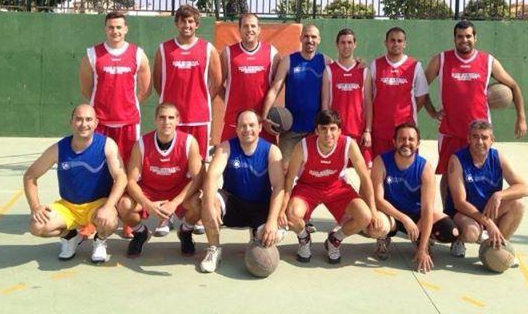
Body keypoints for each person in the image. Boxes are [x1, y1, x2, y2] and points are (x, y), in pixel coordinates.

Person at [424, 20, 527, 196]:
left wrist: (521, 118)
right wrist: (432, 111)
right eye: (460, 37)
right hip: (451, 131)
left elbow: (514, 86)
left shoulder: (488, 61)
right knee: (449, 175)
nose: (464, 40)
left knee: (481, 172)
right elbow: (421, 87)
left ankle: (481, 212)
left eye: (468, 36)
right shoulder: (441, 59)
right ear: (454, 38)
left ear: (475, 38)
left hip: (479, 131)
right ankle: (449, 213)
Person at [78, 10, 151, 238]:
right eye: (111, 27)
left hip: (129, 122)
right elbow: (86, 89)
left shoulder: (138, 54)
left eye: (119, 27)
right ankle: (92, 218)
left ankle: (129, 216)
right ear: (105, 29)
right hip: (100, 124)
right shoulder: (92, 54)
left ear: (126, 29)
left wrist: (127, 105)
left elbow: (145, 89)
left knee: (130, 171)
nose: (115, 31)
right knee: (98, 171)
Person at [23, 104, 127, 263]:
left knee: (110, 220)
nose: (83, 124)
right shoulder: (58, 149)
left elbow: (121, 177)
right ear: (71, 122)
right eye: (78, 119)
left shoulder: (106, 145)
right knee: (36, 227)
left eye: (88, 119)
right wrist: (35, 207)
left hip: (97, 205)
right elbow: (30, 175)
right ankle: (70, 236)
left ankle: (100, 240)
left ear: (96, 123)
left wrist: (109, 206)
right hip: (68, 207)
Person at [281, 109, 382, 264]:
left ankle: (334, 240)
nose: (329, 133)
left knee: (365, 216)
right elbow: (289, 180)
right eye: (324, 129)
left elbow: (364, 177)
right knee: (292, 214)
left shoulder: (349, 144)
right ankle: (304, 238)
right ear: (317, 131)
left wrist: (374, 210)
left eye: (333, 129)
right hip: (308, 187)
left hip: (337, 188)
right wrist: (282, 210)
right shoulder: (303, 147)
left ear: (339, 130)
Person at [199, 110, 285, 273]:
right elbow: (211, 176)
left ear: (260, 127)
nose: (247, 129)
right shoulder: (226, 147)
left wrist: (272, 221)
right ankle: (214, 249)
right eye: (243, 126)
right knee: (209, 201)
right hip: (233, 205)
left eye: (252, 125)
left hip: (260, 206)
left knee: (275, 234)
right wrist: (209, 205)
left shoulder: (272, 151)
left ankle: (257, 234)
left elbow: (279, 186)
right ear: (236, 129)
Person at [116, 103, 203, 258]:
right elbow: (131, 181)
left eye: (171, 118)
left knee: (199, 203)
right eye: (162, 117)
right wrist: (146, 204)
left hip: (177, 190)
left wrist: (175, 203)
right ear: (155, 120)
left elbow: (197, 179)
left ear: (178, 120)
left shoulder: (189, 142)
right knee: (124, 205)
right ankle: (140, 233)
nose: (166, 122)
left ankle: (186, 231)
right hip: (149, 191)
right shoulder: (141, 144)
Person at [371, 123, 458, 273]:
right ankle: (383, 237)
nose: (406, 143)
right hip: (390, 214)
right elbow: (378, 200)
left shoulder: (425, 168)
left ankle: (421, 240)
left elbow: (427, 209)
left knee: (452, 232)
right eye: (402, 139)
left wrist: (423, 250)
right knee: (377, 226)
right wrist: (404, 219)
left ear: (418, 143)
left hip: (416, 216)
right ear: (394, 142)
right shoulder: (381, 162)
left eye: (411, 139)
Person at [445, 120, 528, 262]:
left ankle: (498, 245)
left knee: (518, 204)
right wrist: (489, 224)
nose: (480, 141)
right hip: (464, 213)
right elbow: (459, 203)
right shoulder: (457, 159)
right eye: (475, 137)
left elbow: (524, 187)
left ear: (492, 140)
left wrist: (499, 195)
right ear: (469, 139)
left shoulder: (497, 157)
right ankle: (458, 240)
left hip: (488, 210)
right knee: (472, 233)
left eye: (484, 137)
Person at [153, 4, 221, 159]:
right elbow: (158, 83)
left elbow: (217, 82)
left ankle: (200, 185)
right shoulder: (164, 49)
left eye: (190, 21)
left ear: (197, 24)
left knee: (199, 160)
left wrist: (201, 101)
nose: (187, 25)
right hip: (171, 118)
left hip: (199, 117)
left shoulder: (208, 49)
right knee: (173, 160)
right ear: (177, 23)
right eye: (183, 21)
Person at [261, 24, 331, 170]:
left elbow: (342, 74)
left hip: (315, 130)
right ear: (300, 38)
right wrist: (265, 116)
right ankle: (286, 193)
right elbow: (274, 89)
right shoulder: (288, 61)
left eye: (313, 37)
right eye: (306, 36)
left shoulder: (326, 62)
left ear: (319, 39)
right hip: (290, 130)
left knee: (314, 170)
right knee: (285, 170)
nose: (309, 40)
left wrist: (359, 64)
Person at [220, 13, 279, 144]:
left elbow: (276, 87)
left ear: (259, 29)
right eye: (245, 26)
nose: (249, 29)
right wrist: (229, 99)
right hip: (234, 119)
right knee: (227, 159)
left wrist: (267, 109)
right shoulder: (228, 53)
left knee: (266, 161)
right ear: (239, 29)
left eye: (253, 26)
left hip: (262, 120)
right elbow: (218, 84)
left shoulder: (272, 53)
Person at [370, 27, 429, 155]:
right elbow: (368, 96)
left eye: (399, 40)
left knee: (407, 169)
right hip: (380, 129)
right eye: (392, 40)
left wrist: (406, 115)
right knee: (380, 169)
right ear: (386, 43)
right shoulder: (375, 65)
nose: (396, 43)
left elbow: (421, 97)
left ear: (404, 44)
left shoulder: (415, 66)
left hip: (406, 130)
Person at [322, 28, 373, 168]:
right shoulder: (329, 70)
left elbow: (368, 103)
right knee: (334, 173)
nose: (346, 46)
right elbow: (325, 104)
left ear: (355, 44)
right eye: (343, 42)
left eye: (350, 42)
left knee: (365, 174)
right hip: (336, 133)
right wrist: (326, 129)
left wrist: (368, 130)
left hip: (359, 133)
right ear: (337, 45)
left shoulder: (364, 70)